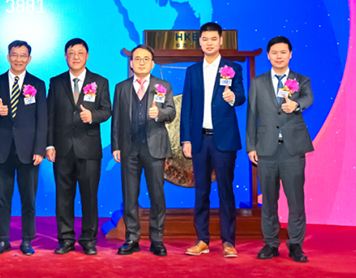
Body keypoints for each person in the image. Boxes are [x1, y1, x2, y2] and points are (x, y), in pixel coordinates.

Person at [180, 22, 246, 258]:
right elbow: (186, 107)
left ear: (220, 41)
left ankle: (228, 242)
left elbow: (241, 97)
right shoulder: (192, 71)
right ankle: (202, 240)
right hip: (199, 140)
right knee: (201, 192)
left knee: (226, 191)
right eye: (205, 39)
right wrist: (186, 140)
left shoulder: (233, 68)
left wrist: (232, 96)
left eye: (213, 39)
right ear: (200, 42)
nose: (209, 43)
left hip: (224, 139)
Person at [246, 36, 313, 263]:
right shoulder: (257, 82)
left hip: (292, 150)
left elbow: (308, 98)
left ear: (290, 54)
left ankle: (296, 245)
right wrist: (251, 146)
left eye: (283, 52)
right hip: (266, 150)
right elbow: (251, 116)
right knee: (269, 201)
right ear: (268, 55)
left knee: (296, 201)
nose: (279, 56)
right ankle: (270, 244)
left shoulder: (301, 80)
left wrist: (296, 104)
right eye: (274, 52)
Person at [46, 38, 111, 256]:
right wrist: (49, 144)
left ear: (87, 56)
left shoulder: (100, 81)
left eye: (80, 53)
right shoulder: (56, 82)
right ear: (65, 56)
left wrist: (92, 116)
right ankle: (65, 239)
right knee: (63, 197)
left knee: (89, 197)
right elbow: (50, 115)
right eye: (71, 53)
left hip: (89, 149)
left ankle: (88, 240)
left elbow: (107, 110)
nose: (76, 57)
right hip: (62, 149)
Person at [0, 40, 47, 256]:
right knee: (3, 198)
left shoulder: (38, 84)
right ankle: (3, 240)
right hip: (1, 149)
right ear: (8, 57)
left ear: (29, 58)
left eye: (23, 55)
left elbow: (42, 119)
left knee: (28, 199)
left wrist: (39, 149)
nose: (18, 59)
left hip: (29, 151)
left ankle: (27, 240)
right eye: (14, 54)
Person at [111, 45, 176, 256]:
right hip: (128, 148)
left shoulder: (163, 86)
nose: (141, 62)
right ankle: (132, 238)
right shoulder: (121, 87)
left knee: (157, 195)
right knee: (130, 195)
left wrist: (159, 113)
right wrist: (116, 146)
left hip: (154, 148)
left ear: (152, 64)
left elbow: (171, 112)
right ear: (131, 63)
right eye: (137, 59)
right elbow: (116, 119)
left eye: (145, 59)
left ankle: (157, 240)